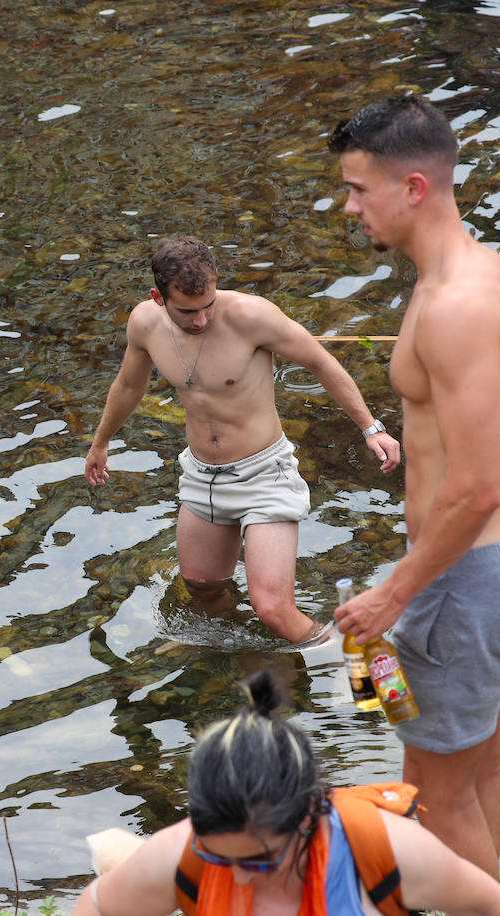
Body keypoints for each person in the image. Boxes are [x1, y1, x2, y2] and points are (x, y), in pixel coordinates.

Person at [328, 95, 500, 877]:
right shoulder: (476, 270)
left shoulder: (455, 305)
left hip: (466, 580)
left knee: (432, 795)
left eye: (359, 189)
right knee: (475, 770)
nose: (349, 205)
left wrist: (394, 593)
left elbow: (475, 488)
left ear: (414, 188)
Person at [84, 236, 401, 645]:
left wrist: (371, 428)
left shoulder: (252, 317)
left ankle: (351, 663)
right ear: (158, 298)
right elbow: (129, 385)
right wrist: (100, 443)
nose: (200, 320)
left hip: (264, 475)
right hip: (201, 476)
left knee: (273, 610)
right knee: (201, 586)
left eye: (207, 306)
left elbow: (320, 362)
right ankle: (251, 660)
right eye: (187, 311)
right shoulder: (145, 323)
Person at [71, 671, 500, 916]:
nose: (237, 880)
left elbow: (492, 907)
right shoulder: (182, 856)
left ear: (307, 816)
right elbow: (96, 906)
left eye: (257, 860)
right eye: (218, 859)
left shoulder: (382, 851)